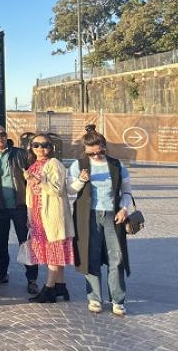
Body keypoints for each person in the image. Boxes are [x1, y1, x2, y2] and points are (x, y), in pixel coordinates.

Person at [68, 129, 133, 316]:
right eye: (91, 153)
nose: (96, 155)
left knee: (117, 257)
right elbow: (71, 191)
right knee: (91, 256)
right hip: (87, 216)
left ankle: (118, 300)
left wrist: (124, 208)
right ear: (85, 150)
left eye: (100, 151)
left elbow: (127, 192)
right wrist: (80, 180)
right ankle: (95, 298)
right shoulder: (78, 165)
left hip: (113, 216)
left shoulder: (117, 165)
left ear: (105, 147)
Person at [0, 124, 39, 294]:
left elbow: (33, 174)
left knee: (27, 243)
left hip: (20, 206)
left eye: (2, 134)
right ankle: (2, 273)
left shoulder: (20, 154)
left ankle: (32, 279)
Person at [23, 133, 75, 303]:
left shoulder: (54, 164)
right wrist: (30, 215)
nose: (40, 148)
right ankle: (61, 287)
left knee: (53, 251)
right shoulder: (32, 166)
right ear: (31, 147)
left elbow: (57, 189)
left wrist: (38, 182)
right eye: (36, 145)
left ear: (51, 147)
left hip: (51, 214)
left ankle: (49, 289)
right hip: (38, 215)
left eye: (45, 145)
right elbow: (29, 194)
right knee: (49, 252)